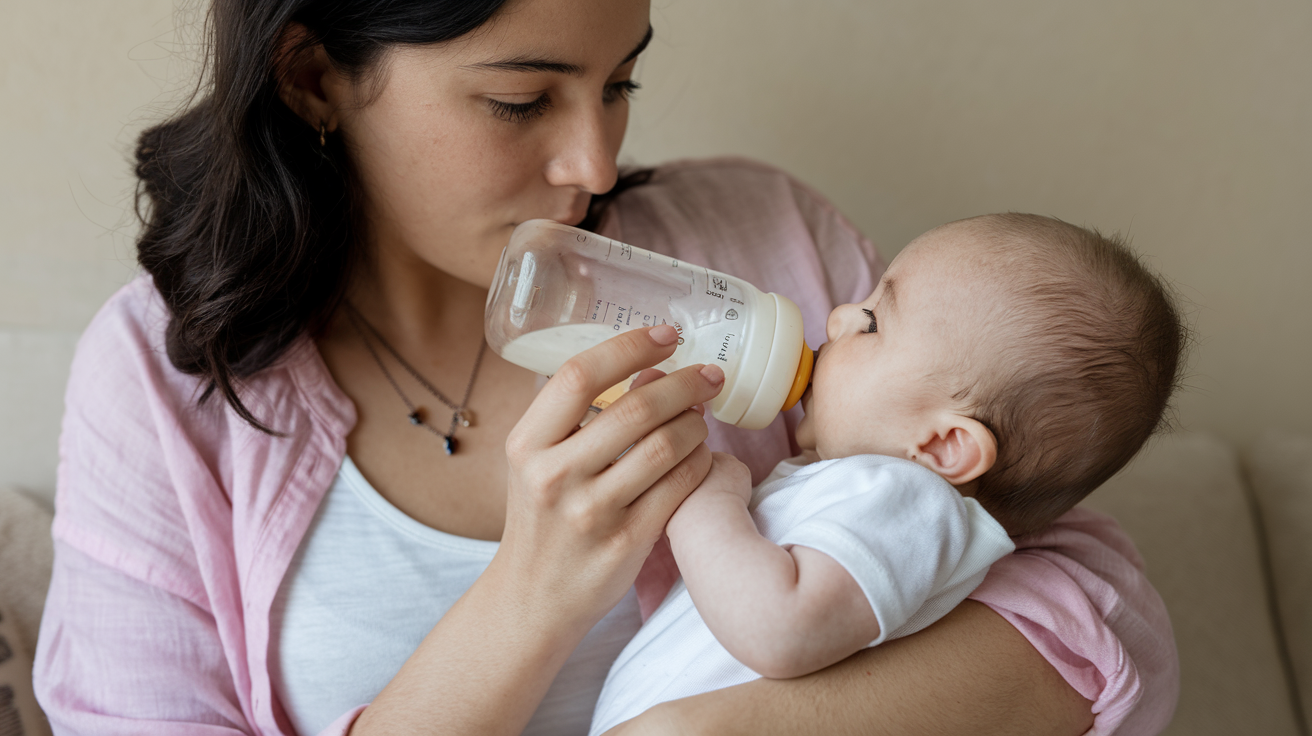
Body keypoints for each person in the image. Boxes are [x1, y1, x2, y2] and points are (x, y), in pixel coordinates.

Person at [32, 0, 1179, 734]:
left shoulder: (757, 239)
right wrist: (532, 594)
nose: (593, 160)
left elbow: (1091, 601)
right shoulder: (165, 378)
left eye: (618, 82)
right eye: (519, 99)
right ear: (313, 76)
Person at [589, 213, 1185, 734]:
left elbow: (780, 630)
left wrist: (706, 498)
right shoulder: (864, 489)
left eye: (873, 322)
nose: (842, 314)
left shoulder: (902, 497)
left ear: (943, 446)